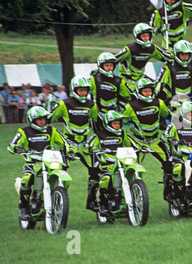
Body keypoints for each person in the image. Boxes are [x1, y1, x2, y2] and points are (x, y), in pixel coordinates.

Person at [7, 106, 74, 220]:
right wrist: (17, 148)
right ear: (32, 120)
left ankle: (57, 199)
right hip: (32, 164)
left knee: (61, 175)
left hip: (49, 163)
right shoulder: (24, 132)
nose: (42, 121)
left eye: (44, 119)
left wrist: (70, 150)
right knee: (27, 178)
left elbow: (65, 142)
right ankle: (23, 207)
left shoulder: (52, 131)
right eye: (39, 119)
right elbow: (12, 146)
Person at [48, 76, 100, 211]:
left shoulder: (91, 104)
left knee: (96, 171)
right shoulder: (64, 103)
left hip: (84, 144)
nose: (83, 93)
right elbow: (49, 119)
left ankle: (92, 201)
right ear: (74, 89)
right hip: (68, 143)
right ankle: (56, 201)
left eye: (85, 90)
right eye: (80, 90)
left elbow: (97, 121)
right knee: (60, 172)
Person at [86, 110, 142, 216]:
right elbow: (89, 145)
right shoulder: (99, 135)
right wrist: (92, 149)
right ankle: (103, 204)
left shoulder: (123, 134)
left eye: (119, 123)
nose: (117, 126)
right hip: (106, 166)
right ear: (107, 123)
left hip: (122, 164)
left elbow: (135, 145)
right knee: (106, 180)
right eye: (114, 123)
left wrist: (140, 148)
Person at [121, 77, 172, 179]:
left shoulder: (159, 103)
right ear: (139, 92)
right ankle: (133, 189)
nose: (148, 93)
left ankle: (169, 189)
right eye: (145, 91)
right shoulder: (130, 106)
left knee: (169, 163)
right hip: (138, 142)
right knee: (133, 168)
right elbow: (120, 121)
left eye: (150, 91)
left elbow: (167, 114)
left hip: (155, 141)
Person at [163, 101, 192, 207]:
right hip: (180, 157)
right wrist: (172, 140)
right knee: (179, 169)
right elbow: (165, 136)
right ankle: (178, 196)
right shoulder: (174, 126)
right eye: (190, 114)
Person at [115, 23, 172, 96]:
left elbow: (165, 57)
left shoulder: (152, 48)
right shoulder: (130, 49)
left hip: (141, 79)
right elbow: (114, 60)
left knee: (160, 92)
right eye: (143, 36)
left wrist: (170, 52)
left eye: (147, 36)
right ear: (138, 36)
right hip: (127, 80)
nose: (146, 38)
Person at [155, 40, 192, 113]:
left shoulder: (191, 66)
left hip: (189, 99)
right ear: (177, 54)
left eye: (187, 54)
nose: (185, 56)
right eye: (182, 54)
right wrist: (153, 95)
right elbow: (160, 83)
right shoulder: (169, 67)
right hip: (173, 101)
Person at [89, 52, 131, 130]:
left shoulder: (119, 81)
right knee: (100, 137)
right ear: (101, 66)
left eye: (111, 65)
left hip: (113, 114)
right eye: (107, 65)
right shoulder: (94, 79)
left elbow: (128, 95)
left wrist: (121, 110)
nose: (109, 68)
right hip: (97, 114)